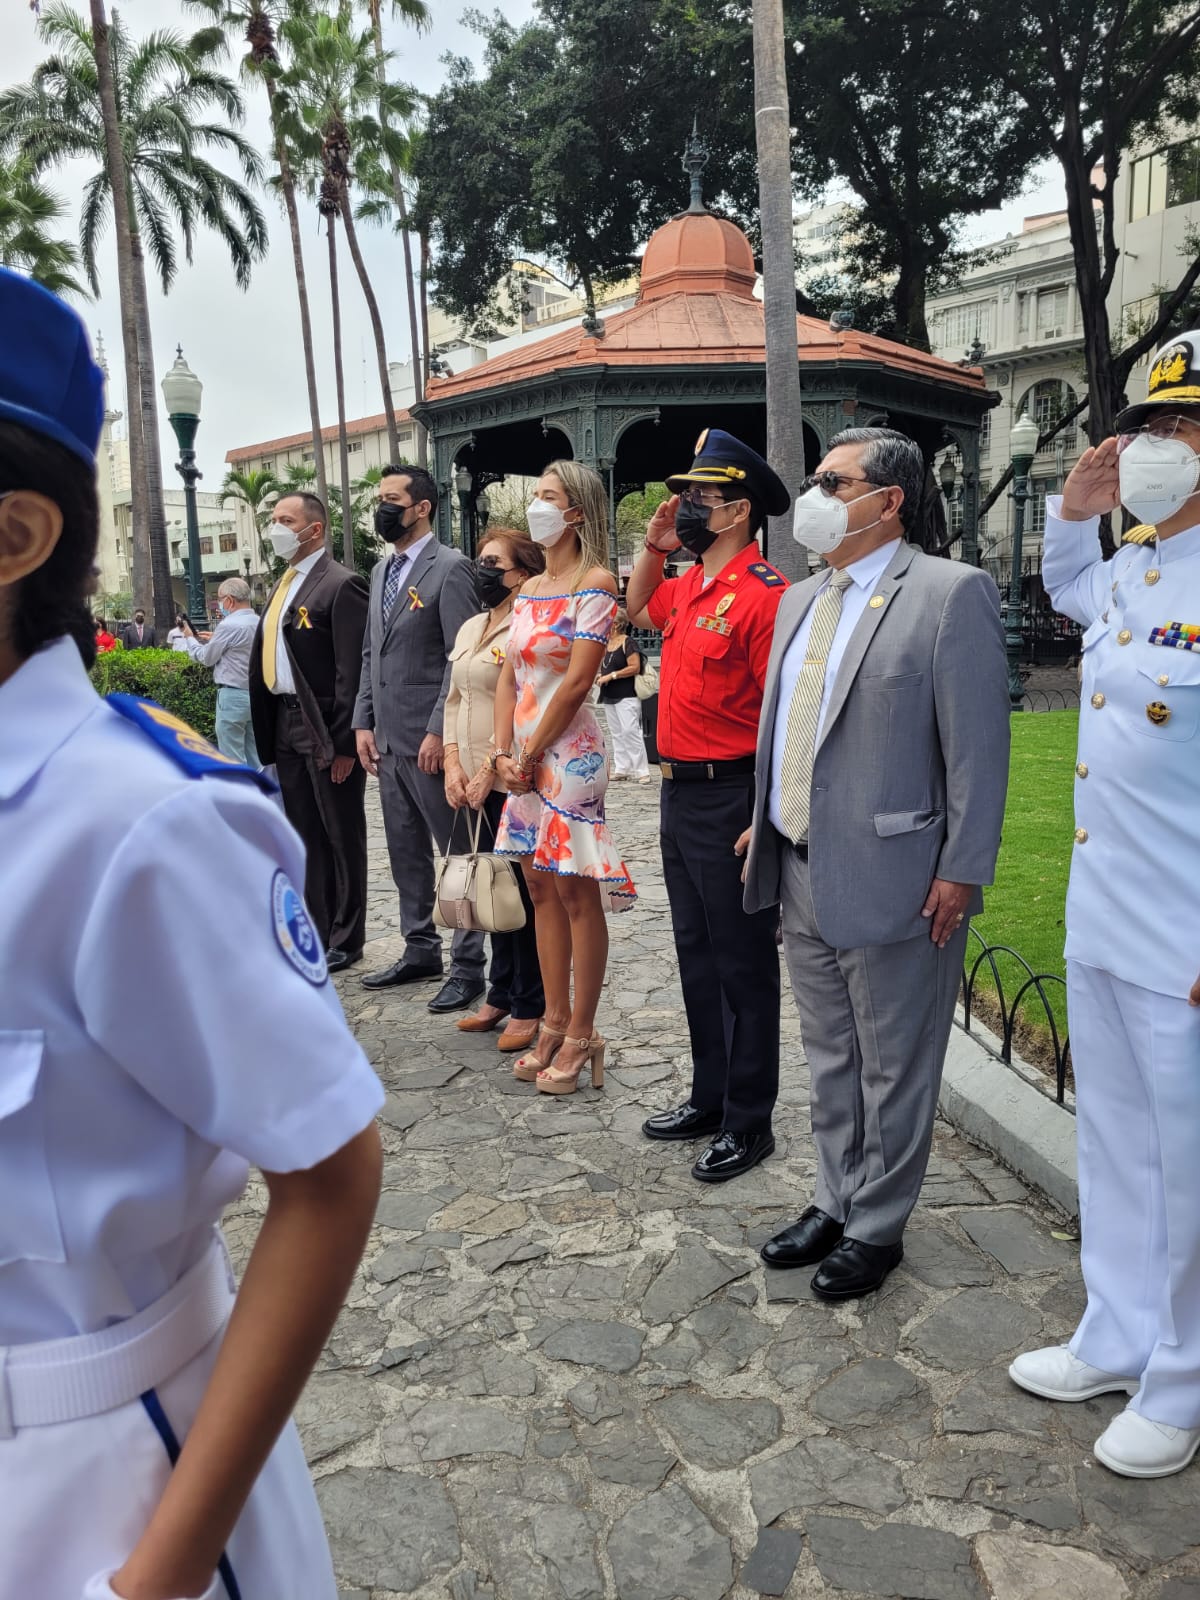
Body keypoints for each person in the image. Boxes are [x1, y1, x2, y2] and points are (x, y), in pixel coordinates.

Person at [0, 265, 383, 1600]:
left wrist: (155, 1578)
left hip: (102, 1482)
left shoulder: (137, 829)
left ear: (16, 536)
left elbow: (330, 1176)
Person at [742, 427, 1009, 1299]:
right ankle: (832, 1196)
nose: (814, 494)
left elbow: (976, 749)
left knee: (895, 1058)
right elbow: (790, 726)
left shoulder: (946, 592)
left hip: (899, 872)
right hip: (799, 865)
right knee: (830, 1053)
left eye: (832, 480)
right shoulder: (799, 601)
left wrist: (963, 867)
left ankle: (877, 1223)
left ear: (887, 499)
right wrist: (769, 818)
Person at [1008, 331, 1200, 1479]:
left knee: (1187, 1159)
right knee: (1120, 1142)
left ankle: (1181, 1379)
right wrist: (1073, 507)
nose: (1163, 449)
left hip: (1185, 930)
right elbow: (1067, 585)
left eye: (1187, 432)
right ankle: (1117, 1332)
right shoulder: (1129, 565)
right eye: (1157, 429)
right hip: (1105, 910)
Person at [625, 429, 790, 1183]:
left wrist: (768, 813)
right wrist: (656, 546)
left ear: (738, 512)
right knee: (696, 955)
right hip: (678, 791)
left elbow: (785, 717)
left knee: (743, 964)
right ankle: (709, 1096)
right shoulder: (691, 584)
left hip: (732, 798)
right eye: (686, 495)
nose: (687, 506)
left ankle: (750, 1120)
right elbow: (637, 608)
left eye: (701, 498)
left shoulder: (765, 596)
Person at [493, 459, 636, 1094]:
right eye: (536, 495)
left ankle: (582, 1031)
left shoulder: (595, 583)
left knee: (576, 892)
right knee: (539, 888)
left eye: (548, 497)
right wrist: (504, 752)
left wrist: (530, 753)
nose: (536, 507)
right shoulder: (526, 593)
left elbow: (578, 679)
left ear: (576, 511)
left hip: (570, 755)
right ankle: (551, 1019)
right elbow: (508, 676)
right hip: (523, 755)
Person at [353, 465, 487, 1013]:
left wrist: (440, 731)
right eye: (380, 498)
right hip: (387, 740)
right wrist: (364, 720)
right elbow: (370, 652)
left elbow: (461, 659)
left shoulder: (451, 569)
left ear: (422, 507)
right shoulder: (383, 570)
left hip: (433, 744)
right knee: (406, 853)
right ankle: (418, 947)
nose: (382, 508)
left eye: (392, 499)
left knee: (458, 854)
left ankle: (469, 963)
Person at [248, 493, 369, 974]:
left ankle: (348, 934)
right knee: (304, 833)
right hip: (283, 721)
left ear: (313, 530)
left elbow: (350, 672)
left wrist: (344, 745)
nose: (275, 528)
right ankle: (316, 928)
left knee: (340, 832)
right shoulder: (284, 582)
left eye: (285, 520)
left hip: (323, 725)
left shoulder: (340, 585)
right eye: (274, 519)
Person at [445, 529, 547, 1053]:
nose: (482, 570)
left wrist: (488, 767)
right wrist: (451, 765)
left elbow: (525, 703)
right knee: (489, 891)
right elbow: (455, 700)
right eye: (479, 560)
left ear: (522, 574)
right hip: (469, 780)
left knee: (521, 896)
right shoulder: (471, 625)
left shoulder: (527, 627)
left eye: (494, 562)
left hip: (511, 776)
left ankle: (532, 1002)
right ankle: (500, 993)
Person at [180, 577, 260, 768]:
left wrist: (190, 639)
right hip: (256, 695)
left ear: (230, 600)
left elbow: (206, 658)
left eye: (220, 599)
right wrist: (217, 638)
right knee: (255, 757)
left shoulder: (228, 625)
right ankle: (263, 796)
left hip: (232, 697)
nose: (220, 604)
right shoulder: (259, 621)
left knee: (232, 758)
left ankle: (238, 797)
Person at [598, 608, 650, 782]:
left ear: (616, 624)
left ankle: (642, 770)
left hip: (626, 693)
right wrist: (601, 675)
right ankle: (622, 767)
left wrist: (612, 675)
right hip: (609, 693)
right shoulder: (607, 643)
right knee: (616, 732)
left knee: (630, 730)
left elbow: (634, 667)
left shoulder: (627, 642)